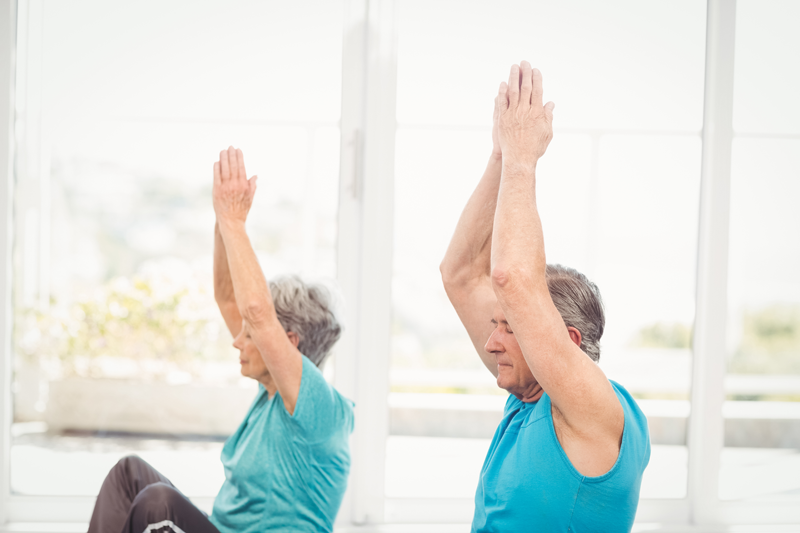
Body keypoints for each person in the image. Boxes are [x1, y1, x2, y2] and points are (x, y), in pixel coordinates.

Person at [87, 147, 354, 533]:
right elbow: (231, 297)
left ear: (289, 341)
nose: (236, 341)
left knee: (157, 504)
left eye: (248, 335)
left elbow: (259, 316)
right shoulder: (271, 393)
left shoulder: (318, 407)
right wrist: (221, 218)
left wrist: (235, 223)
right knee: (130, 474)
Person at [440, 62, 651, 532]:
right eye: (497, 325)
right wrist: (499, 156)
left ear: (568, 341)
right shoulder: (528, 395)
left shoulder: (592, 407)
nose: (492, 344)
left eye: (510, 327)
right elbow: (458, 275)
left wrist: (522, 160)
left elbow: (513, 276)